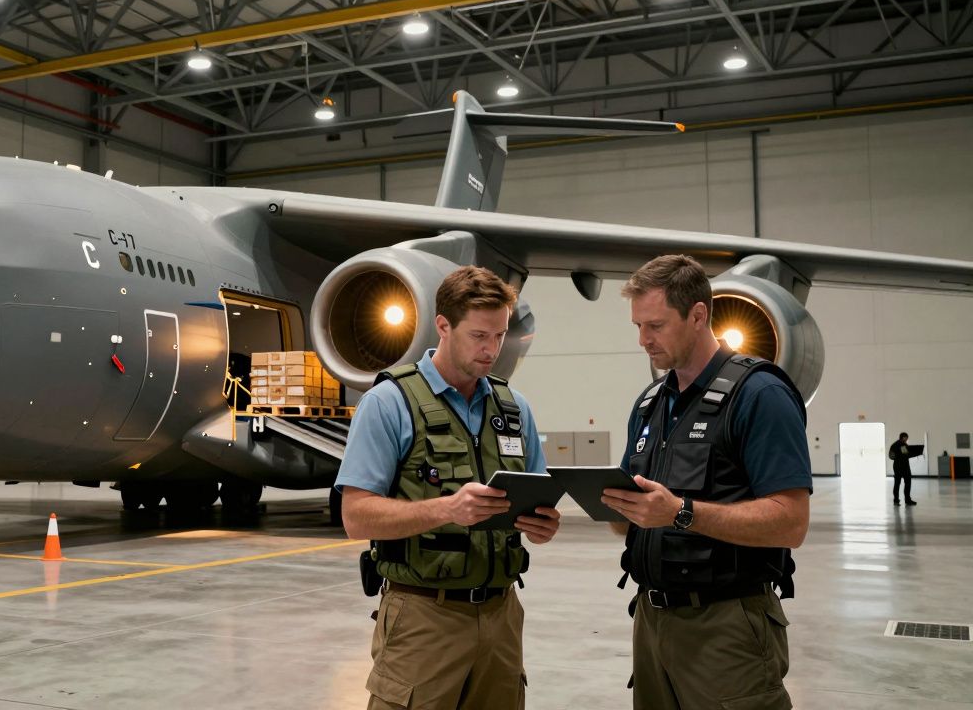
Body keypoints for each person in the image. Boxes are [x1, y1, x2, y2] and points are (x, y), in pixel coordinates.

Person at [336, 265, 560, 710]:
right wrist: (446, 510)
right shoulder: (389, 403)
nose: (491, 349)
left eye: (499, 336)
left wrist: (542, 525)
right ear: (443, 326)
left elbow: (537, 498)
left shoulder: (515, 410)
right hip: (424, 617)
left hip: (502, 616)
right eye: (479, 335)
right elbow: (355, 516)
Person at [602, 254, 811, 710]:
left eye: (655, 325)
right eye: (637, 326)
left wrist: (680, 512)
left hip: (727, 625)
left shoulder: (761, 395)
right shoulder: (651, 403)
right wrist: (620, 508)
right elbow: (634, 519)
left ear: (698, 315)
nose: (643, 340)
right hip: (652, 623)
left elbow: (791, 522)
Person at [889, 432, 917, 505]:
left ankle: (897, 500)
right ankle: (905, 500)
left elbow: (891, 456)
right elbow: (905, 454)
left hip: (900, 466)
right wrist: (914, 453)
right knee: (904, 483)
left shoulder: (897, 444)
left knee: (898, 483)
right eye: (906, 438)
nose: (906, 440)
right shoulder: (901, 444)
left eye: (907, 439)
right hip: (901, 466)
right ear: (903, 437)